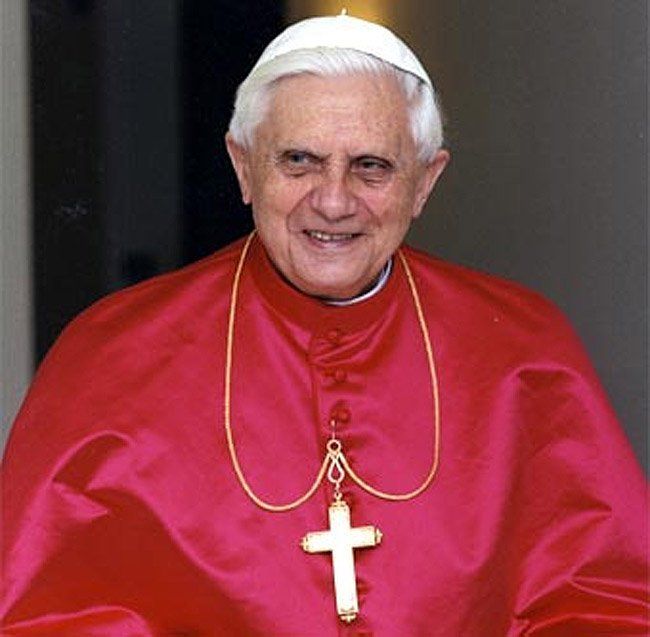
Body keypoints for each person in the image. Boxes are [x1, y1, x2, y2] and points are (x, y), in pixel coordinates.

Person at [2, 13, 647, 636]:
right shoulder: (113, 353)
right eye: (299, 161)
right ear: (243, 167)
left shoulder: (523, 350)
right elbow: (48, 613)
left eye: (372, 166)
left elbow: (608, 603)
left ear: (425, 182)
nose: (334, 201)